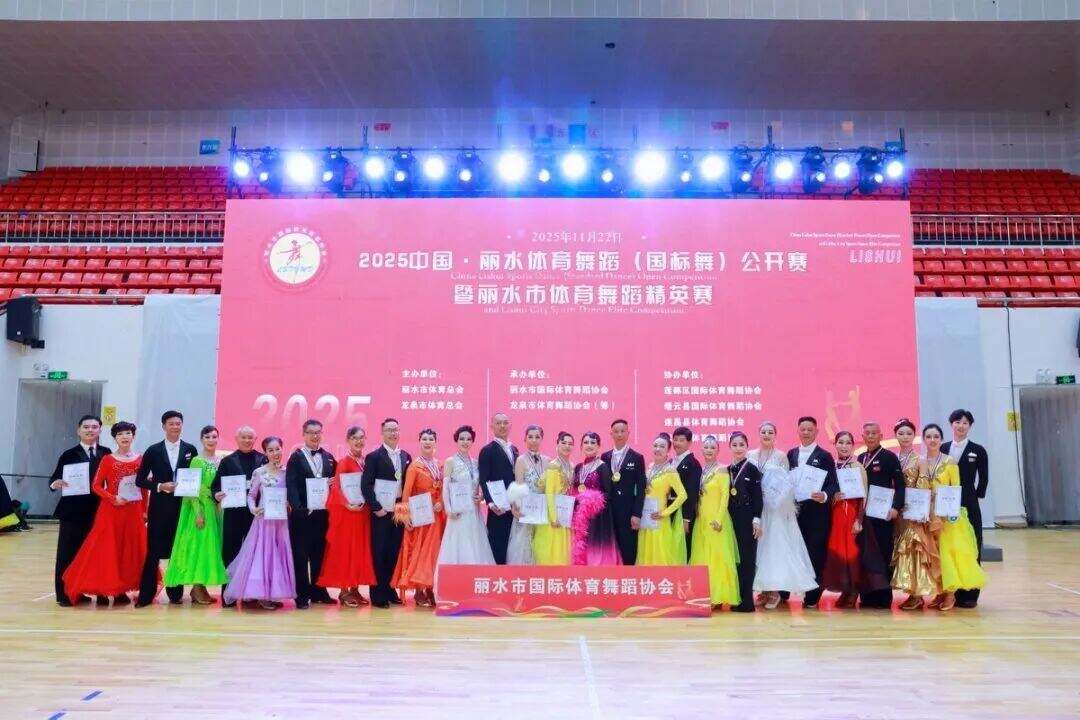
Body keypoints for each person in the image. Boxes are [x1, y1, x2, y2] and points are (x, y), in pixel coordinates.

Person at [62, 421, 148, 605]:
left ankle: (121, 590)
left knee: (127, 551)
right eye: (120, 434)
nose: (124, 437)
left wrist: (144, 511)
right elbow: (96, 485)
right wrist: (112, 498)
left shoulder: (141, 459)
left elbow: (143, 489)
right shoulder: (108, 459)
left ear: (133, 436)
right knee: (106, 550)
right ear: (115, 438)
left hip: (133, 512)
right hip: (111, 511)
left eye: (128, 433)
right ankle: (102, 590)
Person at [222, 436, 295, 610]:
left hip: (280, 522)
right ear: (265, 453)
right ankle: (261, 595)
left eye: (277, 449)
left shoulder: (287, 472)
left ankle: (270, 593)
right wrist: (253, 509)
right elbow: (251, 495)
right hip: (263, 521)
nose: (275, 453)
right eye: (271, 450)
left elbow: (290, 496)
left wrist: (289, 504)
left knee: (277, 557)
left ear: (282, 449)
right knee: (262, 556)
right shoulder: (259, 472)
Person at [751, 421, 817, 609]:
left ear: (775, 435)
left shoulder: (781, 456)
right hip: (757, 509)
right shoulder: (750, 455)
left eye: (770, 432)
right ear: (759, 433)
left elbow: (787, 484)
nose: (766, 434)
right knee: (759, 549)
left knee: (774, 549)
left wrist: (774, 498)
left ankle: (774, 591)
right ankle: (764, 589)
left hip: (775, 510)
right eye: (763, 431)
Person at [135, 410, 197, 607]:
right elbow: (140, 480)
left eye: (178, 423)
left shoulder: (190, 449)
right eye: (171, 424)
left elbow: (196, 478)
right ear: (164, 426)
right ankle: (146, 595)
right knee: (153, 552)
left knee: (178, 550)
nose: (175, 427)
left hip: (182, 508)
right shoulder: (153, 450)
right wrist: (160, 486)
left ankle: (176, 593)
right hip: (159, 508)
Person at [49, 414, 112, 606]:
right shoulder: (68, 454)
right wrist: (55, 484)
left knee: (97, 553)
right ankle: (64, 594)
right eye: (86, 427)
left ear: (100, 430)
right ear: (78, 430)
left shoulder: (106, 453)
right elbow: (54, 478)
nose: (90, 430)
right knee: (68, 554)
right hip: (73, 513)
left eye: (94, 427)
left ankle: (98, 591)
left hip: (99, 511)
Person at [164, 425, 228, 605]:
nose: (211, 440)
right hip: (200, 508)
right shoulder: (197, 461)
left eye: (214, 436)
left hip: (216, 508)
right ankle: (197, 587)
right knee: (199, 547)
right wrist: (198, 512)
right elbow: (191, 489)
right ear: (201, 440)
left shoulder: (221, 461)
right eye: (207, 437)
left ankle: (200, 587)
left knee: (211, 548)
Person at [926, 423, 986, 611]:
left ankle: (951, 594)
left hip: (946, 516)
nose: (932, 440)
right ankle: (940, 592)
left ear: (941, 439)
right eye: (928, 437)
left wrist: (951, 513)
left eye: (936, 436)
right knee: (934, 555)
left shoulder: (950, 462)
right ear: (924, 439)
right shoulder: (922, 461)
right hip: (927, 515)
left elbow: (955, 489)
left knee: (948, 554)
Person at [782, 416, 838, 609]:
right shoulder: (791, 454)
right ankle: (784, 591)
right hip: (794, 513)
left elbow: (833, 484)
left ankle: (813, 595)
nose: (806, 432)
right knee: (792, 552)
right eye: (803, 429)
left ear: (816, 432)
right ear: (798, 431)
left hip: (817, 514)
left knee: (815, 553)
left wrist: (824, 495)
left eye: (809, 429)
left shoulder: (824, 456)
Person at [317, 426, 375, 607]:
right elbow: (337, 488)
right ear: (348, 440)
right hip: (348, 513)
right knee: (347, 550)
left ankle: (355, 588)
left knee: (359, 550)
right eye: (355, 438)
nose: (359, 441)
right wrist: (346, 504)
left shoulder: (365, 461)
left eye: (361, 437)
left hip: (362, 513)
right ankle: (343, 591)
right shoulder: (344, 462)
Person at [211, 426, 267, 607]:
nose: (247, 440)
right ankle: (228, 595)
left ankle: (252, 595)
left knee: (254, 554)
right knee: (230, 553)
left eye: (250, 437)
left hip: (256, 515)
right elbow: (215, 486)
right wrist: (217, 495)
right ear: (237, 438)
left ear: (255, 439)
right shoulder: (227, 461)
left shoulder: (263, 459)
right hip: (233, 514)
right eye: (244, 437)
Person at [285, 419, 337, 608]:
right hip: (302, 515)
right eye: (311, 433)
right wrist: (299, 509)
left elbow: (336, 482)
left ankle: (318, 591)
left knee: (319, 554)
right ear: (304, 434)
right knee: (300, 556)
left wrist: (333, 484)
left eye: (318, 432)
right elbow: (291, 485)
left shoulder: (329, 457)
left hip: (322, 515)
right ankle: (301, 596)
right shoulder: (295, 457)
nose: (315, 436)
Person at [892, 419, 943, 611]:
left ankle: (918, 594)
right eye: (901, 433)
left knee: (914, 550)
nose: (905, 437)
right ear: (895, 435)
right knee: (902, 551)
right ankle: (911, 592)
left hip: (913, 513)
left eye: (908, 433)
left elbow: (923, 487)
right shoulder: (894, 458)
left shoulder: (920, 460)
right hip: (897, 513)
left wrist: (919, 511)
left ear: (914, 436)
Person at [392, 429, 445, 607]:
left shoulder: (440, 465)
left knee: (433, 554)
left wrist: (441, 502)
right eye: (424, 439)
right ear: (419, 442)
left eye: (431, 439)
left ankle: (429, 587)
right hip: (420, 516)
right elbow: (406, 493)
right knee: (420, 553)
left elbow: (444, 489)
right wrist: (404, 516)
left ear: (435, 442)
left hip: (436, 517)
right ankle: (419, 590)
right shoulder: (414, 466)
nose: (428, 442)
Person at [362, 418, 412, 608]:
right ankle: (378, 595)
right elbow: (366, 485)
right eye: (389, 430)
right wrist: (377, 508)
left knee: (394, 551)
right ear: (382, 432)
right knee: (379, 552)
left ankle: (390, 589)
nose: (393, 433)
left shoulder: (405, 456)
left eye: (396, 429)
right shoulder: (374, 457)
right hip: (381, 511)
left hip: (398, 510)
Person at [942, 409, 989, 609]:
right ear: (951, 424)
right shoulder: (943, 448)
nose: (961, 426)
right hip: (946, 505)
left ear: (970, 426)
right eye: (957, 422)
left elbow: (984, 478)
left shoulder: (978, 450)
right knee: (949, 547)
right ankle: (949, 592)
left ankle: (970, 594)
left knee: (972, 545)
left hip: (969, 504)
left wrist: (975, 497)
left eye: (965, 423)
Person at [856, 421, 904, 609]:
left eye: (874, 433)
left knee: (883, 555)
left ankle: (884, 597)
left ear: (881, 436)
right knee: (865, 556)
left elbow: (900, 486)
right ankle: (867, 595)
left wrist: (896, 507)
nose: (870, 436)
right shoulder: (859, 458)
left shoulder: (889, 457)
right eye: (867, 433)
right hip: (863, 516)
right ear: (862, 436)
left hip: (883, 516)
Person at [689, 435, 741, 610]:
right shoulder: (702, 470)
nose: (709, 450)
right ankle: (704, 594)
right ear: (701, 450)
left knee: (718, 559)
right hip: (701, 519)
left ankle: (717, 596)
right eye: (706, 447)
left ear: (718, 450)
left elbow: (725, 496)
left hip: (717, 520)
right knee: (702, 557)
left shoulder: (722, 470)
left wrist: (718, 519)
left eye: (712, 447)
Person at [438, 426, 496, 571]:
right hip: (458, 513)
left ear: (472, 441)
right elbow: (446, 488)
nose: (465, 442)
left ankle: (476, 578)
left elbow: (480, 487)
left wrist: (481, 496)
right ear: (456, 441)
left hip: (474, 512)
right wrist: (448, 510)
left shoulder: (476, 463)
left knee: (476, 544)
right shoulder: (450, 461)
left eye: (469, 439)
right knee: (459, 545)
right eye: (462, 439)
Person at [822, 431, 867, 608]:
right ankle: (844, 588)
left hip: (851, 516)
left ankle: (854, 590)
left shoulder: (858, 467)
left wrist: (859, 520)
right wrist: (833, 497)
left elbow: (864, 496)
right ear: (835, 444)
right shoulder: (831, 466)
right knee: (837, 553)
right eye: (841, 442)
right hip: (834, 516)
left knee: (851, 553)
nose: (844, 446)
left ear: (853, 446)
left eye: (848, 443)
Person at [570, 432, 621, 566]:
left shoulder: (602, 467)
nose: (589, 445)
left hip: (598, 518)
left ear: (598, 446)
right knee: (580, 549)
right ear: (581, 446)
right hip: (580, 517)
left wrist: (591, 501)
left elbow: (608, 494)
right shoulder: (578, 467)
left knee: (596, 553)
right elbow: (574, 490)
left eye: (593, 443)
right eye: (586, 442)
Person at [636, 433, 687, 566]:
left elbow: (683, 495)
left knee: (659, 556)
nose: (657, 449)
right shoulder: (650, 467)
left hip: (659, 519)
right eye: (655, 446)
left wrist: (664, 513)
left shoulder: (670, 471)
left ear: (668, 450)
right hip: (646, 518)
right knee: (646, 553)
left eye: (662, 446)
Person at [727, 431, 764, 613]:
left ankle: (747, 601)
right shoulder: (726, 470)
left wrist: (756, 520)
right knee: (734, 559)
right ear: (729, 447)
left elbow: (758, 498)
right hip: (729, 520)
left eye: (741, 444)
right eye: (734, 445)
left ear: (747, 446)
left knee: (747, 559)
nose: (738, 448)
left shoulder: (752, 469)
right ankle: (735, 597)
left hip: (747, 520)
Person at [601, 419, 646, 565]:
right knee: (610, 549)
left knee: (628, 549)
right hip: (609, 511)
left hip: (628, 512)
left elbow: (641, 489)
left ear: (628, 433)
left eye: (622, 431)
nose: (619, 434)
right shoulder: (605, 457)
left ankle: (628, 576)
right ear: (611, 434)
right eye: (616, 431)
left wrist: (637, 514)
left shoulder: (637, 457)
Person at [479, 412, 518, 564]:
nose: (502, 426)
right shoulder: (487, 450)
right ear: (492, 427)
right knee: (497, 545)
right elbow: (483, 479)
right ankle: (497, 576)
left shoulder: (514, 449)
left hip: (514, 507)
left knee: (512, 545)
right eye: (498, 423)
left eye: (505, 423)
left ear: (510, 426)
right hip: (498, 508)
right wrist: (490, 503)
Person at [507, 425, 547, 565]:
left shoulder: (548, 461)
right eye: (530, 437)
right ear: (525, 439)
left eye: (537, 437)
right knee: (524, 545)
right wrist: (515, 506)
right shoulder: (521, 460)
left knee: (540, 545)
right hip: (525, 509)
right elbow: (518, 485)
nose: (534, 440)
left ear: (541, 439)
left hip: (542, 511)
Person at [533, 431, 573, 565]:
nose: (567, 446)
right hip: (553, 516)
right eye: (563, 443)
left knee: (564, 550)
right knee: (552, 551)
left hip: (566, 514)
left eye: (570, 444)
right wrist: (554, 517)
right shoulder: (553, 466)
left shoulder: (572, 466)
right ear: (557, 444)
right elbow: (549, 493)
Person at [671, 426, 701, 561]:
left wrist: (687, 519)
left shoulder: (693, 463)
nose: (677, 443)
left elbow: (692, 493)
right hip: (670, 511)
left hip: (683, 513)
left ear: (689, 442)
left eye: (681, 440)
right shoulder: (671, 461)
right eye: (675, 439)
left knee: (684, 547)